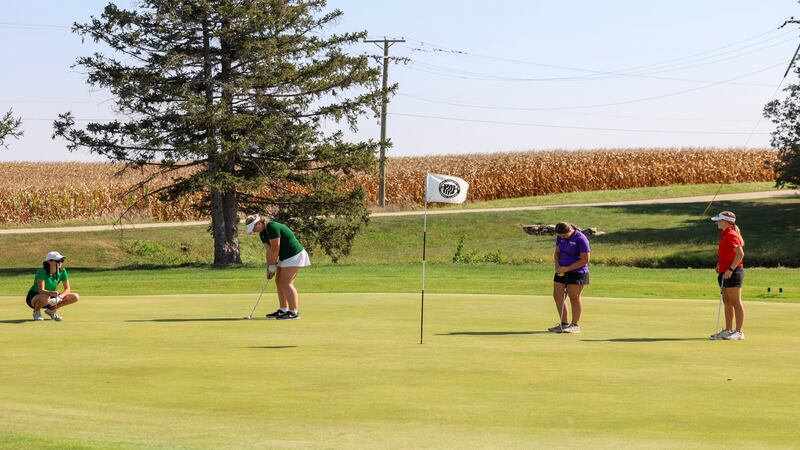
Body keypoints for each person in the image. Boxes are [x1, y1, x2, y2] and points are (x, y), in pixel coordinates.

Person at [245, 214, 311, 320]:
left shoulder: (272, 227)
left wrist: (273, 266)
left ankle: (294, 312)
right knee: (279, 281)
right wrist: (269, 269)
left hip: (294, 254)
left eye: (254, 228)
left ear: (259, 223)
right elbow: (269, 251)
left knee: (286, 282)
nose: (254, 231)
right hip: (285, 256)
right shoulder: (262, 234)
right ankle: (283, 309)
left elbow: (276, 249)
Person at [548, 223, 590, 334]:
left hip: (577, 271)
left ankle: (575, 325)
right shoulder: (560, 237)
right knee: (557, 296)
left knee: (574, 297)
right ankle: (564, 324)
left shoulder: (580, 238)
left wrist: (567, 269)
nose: (563, 237)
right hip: (561, 270)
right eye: (560, 236)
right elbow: (557, 252)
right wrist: (557, 265)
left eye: (565, 235)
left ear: (571, 230)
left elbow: (585, 259)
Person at [710, 211, 746, 340]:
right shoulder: (725, 234)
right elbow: (726, 253)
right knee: (727, 301)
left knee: (736, 302)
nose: (717, 222)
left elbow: (740, 254)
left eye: (719, 220)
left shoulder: (731, 234)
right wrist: (720, 265)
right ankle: (728, 330)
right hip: (724, 272)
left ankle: (739, 332)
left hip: (733, 272)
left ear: (726, 221)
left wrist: (730, 269)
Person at [26, 251, 79, 321]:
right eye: (58, 261)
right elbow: (41, 290)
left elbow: (67, 289)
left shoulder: (62, 271)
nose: (60, 262)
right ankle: (36, 312)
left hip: (51, 296)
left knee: (75, 297)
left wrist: (60, 297)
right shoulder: (41, 271)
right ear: (49, 262)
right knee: (45, 297)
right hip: (36, 296)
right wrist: (52, 293)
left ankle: (51, 311)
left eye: (62, 260)